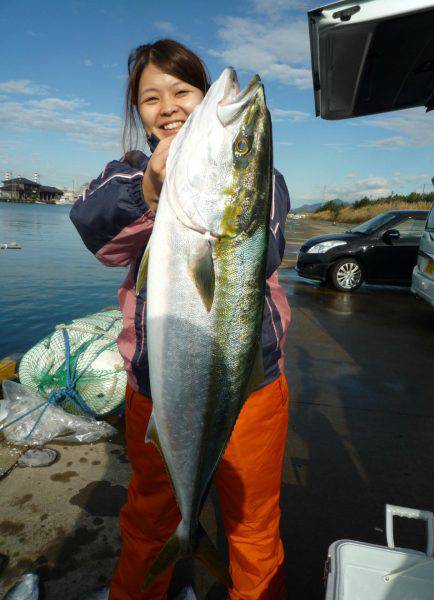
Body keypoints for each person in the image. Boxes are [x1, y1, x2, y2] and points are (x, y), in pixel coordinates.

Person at [70, 39, 291, 600]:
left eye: (182, 91)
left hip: (253, 385)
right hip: (156, 383)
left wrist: (209, 183)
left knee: (253, 525)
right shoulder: (126, 176)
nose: (167, 106)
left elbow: (260, 246)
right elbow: (96, 231)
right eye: (151, 97)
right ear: (137, 112)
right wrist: (151, 186)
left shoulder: (262, 183)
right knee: (148, 517)